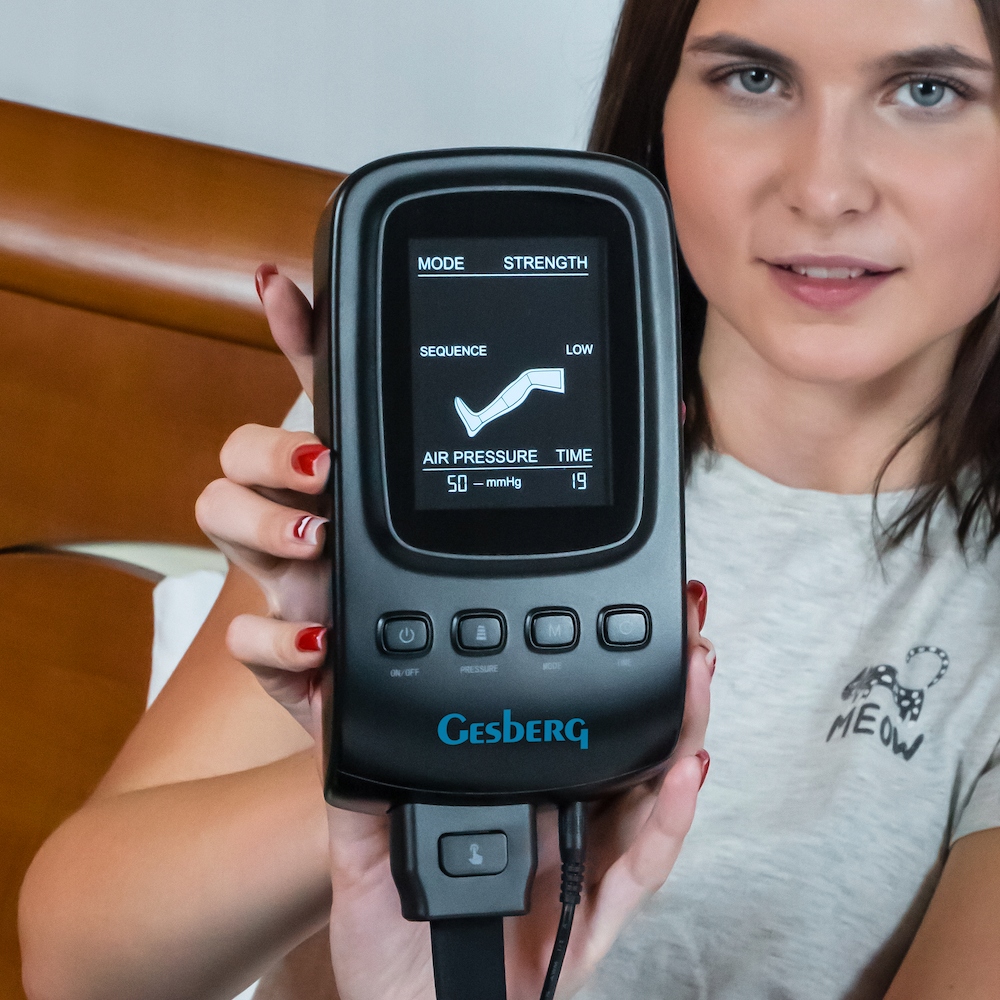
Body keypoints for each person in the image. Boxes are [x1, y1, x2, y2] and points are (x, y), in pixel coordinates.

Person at [18, 0, 1000, 996]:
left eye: (928, 90)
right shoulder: (413, 426)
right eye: (753, 78)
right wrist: (392, 751)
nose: (824, 189)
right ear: (658, 104)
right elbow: (80, 969)